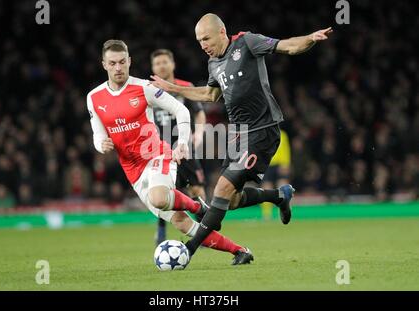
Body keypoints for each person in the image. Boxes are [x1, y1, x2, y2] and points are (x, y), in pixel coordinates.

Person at [151, 13, 333, 258]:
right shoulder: (213, 63)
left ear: (222, 32)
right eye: (199, 41)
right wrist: (174, 89)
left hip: (262, 129)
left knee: (222, 190)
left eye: (206, 38)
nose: (203, 45)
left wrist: (310, 38)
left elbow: (286, 46)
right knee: (232, 200)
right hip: (238, 134)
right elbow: (210, 96)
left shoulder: (247, 42)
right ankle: (280, 196)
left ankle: (189, 250)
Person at [87, 39, 252, 265]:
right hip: (133, 172)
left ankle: (197, 205)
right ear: (104, 64)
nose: (118, 68)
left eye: (122, 62)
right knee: (182, 223)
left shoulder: (144, 88)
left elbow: (181, 110)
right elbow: (97, 134)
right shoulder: (94, 98)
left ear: (129, 62)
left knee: (158, 197)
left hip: (156, 155)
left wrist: (182, 142)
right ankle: (239, 250)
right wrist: (101, 144)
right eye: (113, 63)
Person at [150, 48, 208, 245]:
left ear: (173, 64)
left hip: (185, 148)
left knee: (198, 190)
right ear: (153, 67)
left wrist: (198, 133)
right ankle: (160, 229)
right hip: (161, 151)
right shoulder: (149, 90)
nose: (162, 66)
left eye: (165, 62)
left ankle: (205, 232)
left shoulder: (185, 87)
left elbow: (199, 113)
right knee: (165, 190)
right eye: (157, 63)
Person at [261, 129, 291, 219]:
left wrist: (285, 164)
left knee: (283, 187)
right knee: (266, 188)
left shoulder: (282, 134)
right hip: (267, 164)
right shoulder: (262, 133)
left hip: (279, 164)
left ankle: (284, 211)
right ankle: (267, 214)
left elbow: (285, 149)